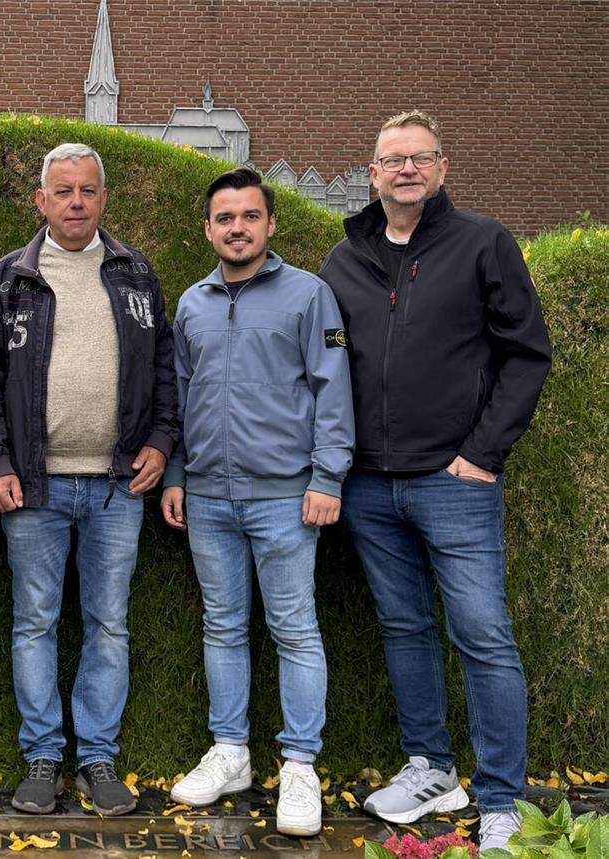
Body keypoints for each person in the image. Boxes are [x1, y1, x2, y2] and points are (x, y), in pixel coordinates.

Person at [318, 110, 551, 850]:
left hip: (456, 480)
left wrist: (483, 452)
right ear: (373, 170)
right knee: (405, 627)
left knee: (482, 633)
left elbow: (526, 355)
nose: (407, 169)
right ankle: (431, 767)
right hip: (368, 486)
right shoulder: (342, 259)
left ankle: (502, 795)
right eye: (394, 159)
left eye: (421, 158)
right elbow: (324, 370)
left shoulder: (483, 243)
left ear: (443, 168)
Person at [0, 143, 179, 817]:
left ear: (103, 198)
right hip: (35, 487)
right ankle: (41, 757)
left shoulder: (136, 274)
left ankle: (97, 757)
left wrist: (163, 442)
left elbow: (166, 371)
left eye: (88, 190)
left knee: (108, 622)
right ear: (42, 201)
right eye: (63, 191)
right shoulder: (7, 280)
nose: (76, 202)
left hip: (119, 485)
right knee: (35, 621)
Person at [161, 167, 353, 836]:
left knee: (295, 629)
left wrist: (328, 477)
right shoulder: (192, 303)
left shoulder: (309, 295)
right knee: (222, 626)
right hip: (209, 499)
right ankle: (232, 752)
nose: (236, 227)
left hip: (286, 498)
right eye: (224, 217)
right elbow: (181, 398)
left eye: (249, 215)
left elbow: (333, 390)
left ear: (270, 224)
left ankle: (300, 765)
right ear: (208, 228)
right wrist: (178, 473)